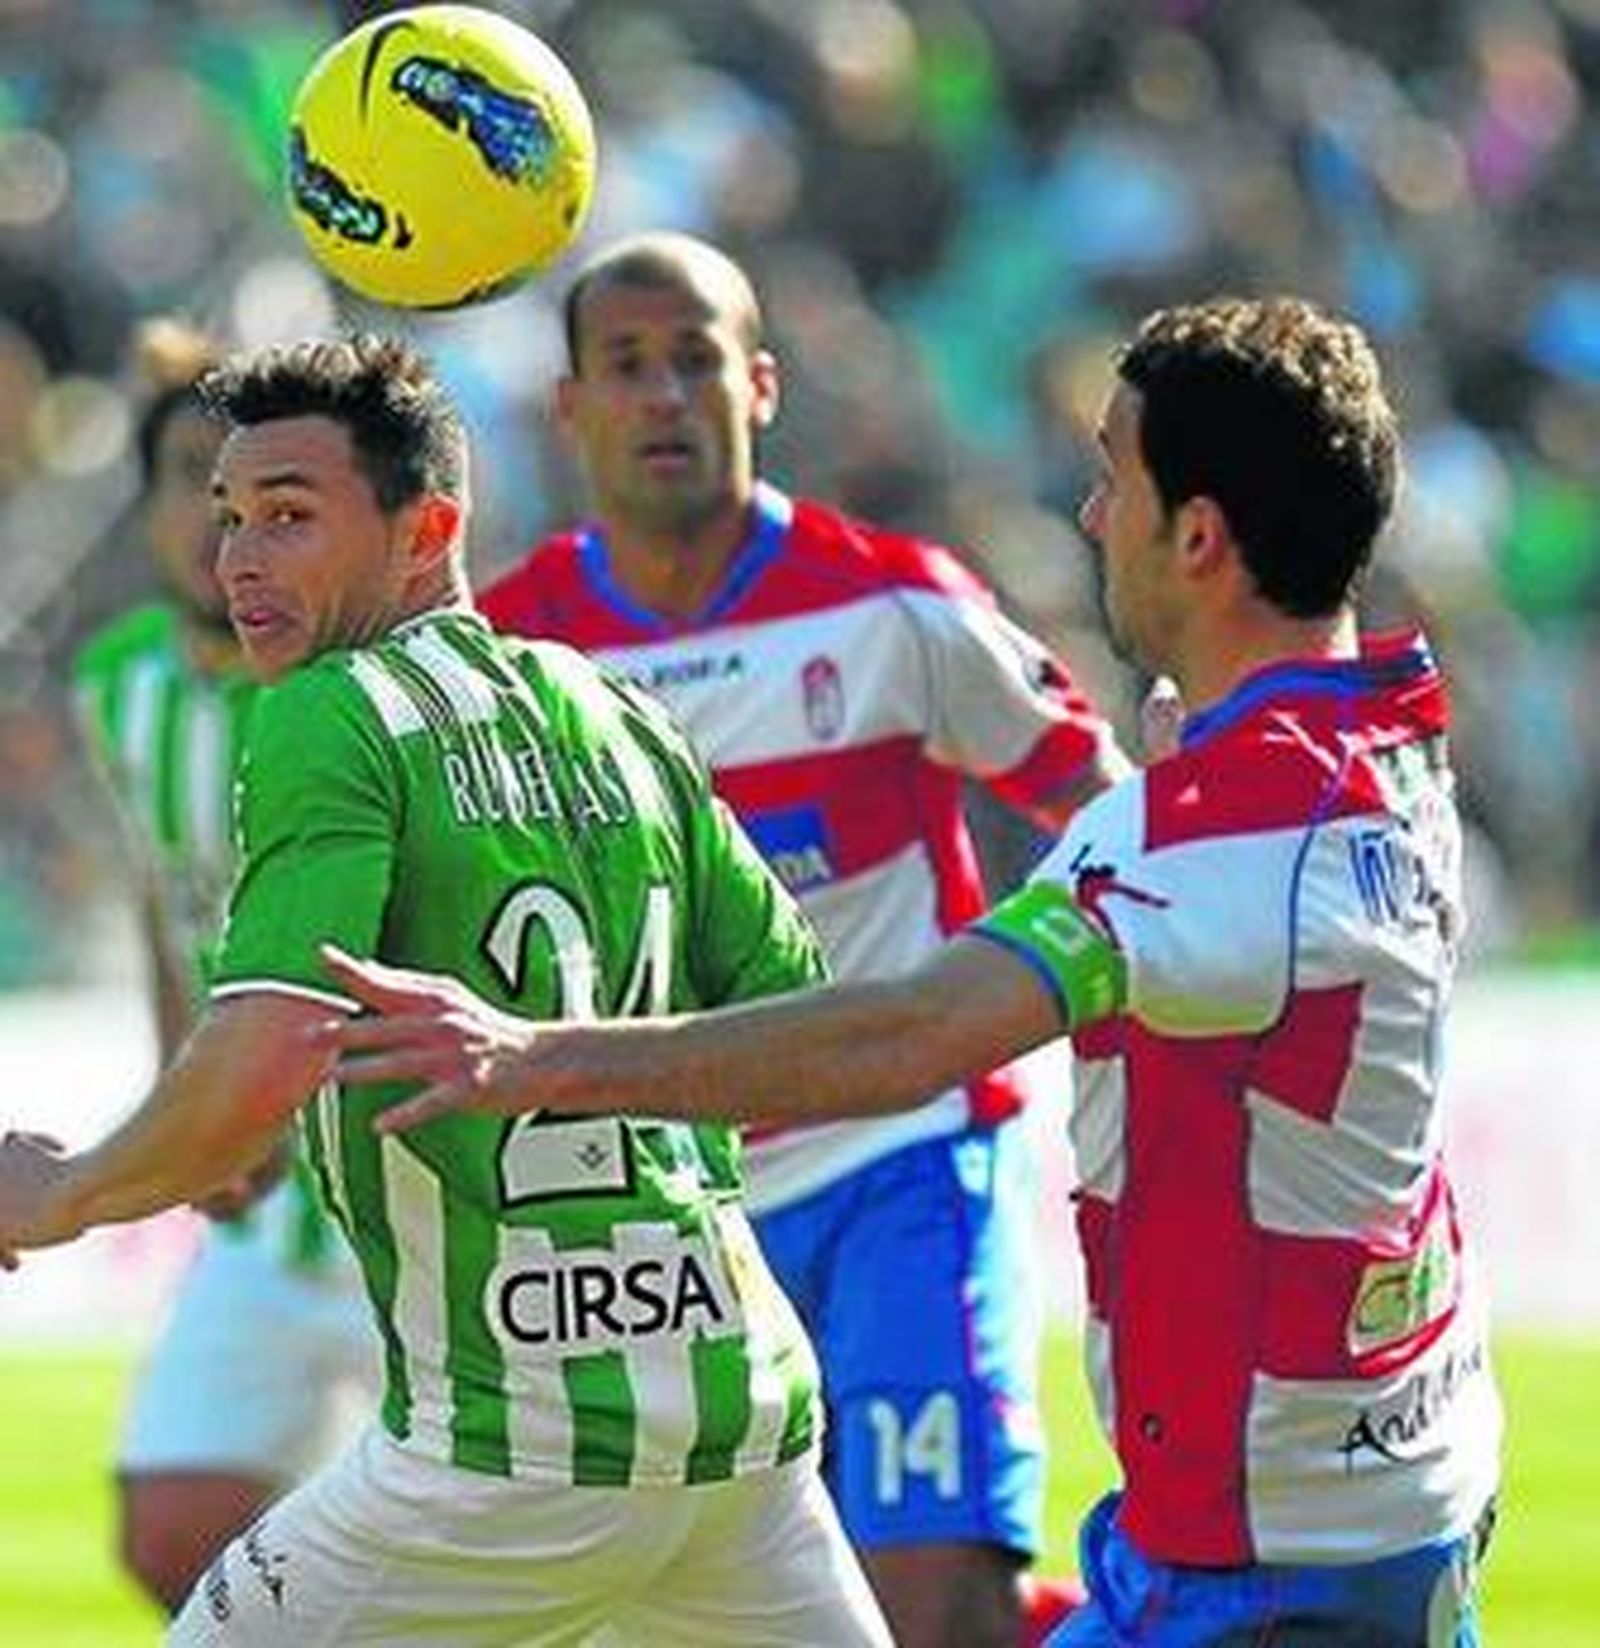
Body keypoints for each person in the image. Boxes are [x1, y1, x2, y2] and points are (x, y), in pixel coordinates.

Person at [317, 296, 1504, 1647]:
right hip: (1363, 1482)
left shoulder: (1208, 831)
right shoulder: (1384, 744)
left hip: (1275, 1560)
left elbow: (917, 1035)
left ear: (1200, 537)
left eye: (1112, 477)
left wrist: (537, 1061)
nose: (1087, 517)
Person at [5, 333, 891, 1648]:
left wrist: (64, 1192)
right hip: (738, 1418)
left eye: (291, 519)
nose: (240, 559)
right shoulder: (617, 710)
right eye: (231, 518)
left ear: (431, 525)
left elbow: (267, 1049)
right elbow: (808, 1031)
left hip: (510, 1444)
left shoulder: (327, 710)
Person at [478, 230, 1130, 1648]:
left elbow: (1096, 798)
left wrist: (1048, 978)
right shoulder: (511, 661)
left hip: (903, 1160)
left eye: (695, 360)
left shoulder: (893, 605)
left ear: (760, 385)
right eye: (626, 368)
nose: (664, 396)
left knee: (932, 1600)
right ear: (569, 409)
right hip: (668, 1215)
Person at [71, 319, 376, 1615]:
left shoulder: (344, 689)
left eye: (247, 498)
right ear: (142, 510)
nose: (217, 528)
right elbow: (164, 903)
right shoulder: (116, 683)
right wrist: (182, 1095)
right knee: (169, 1530)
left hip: (396, 1185)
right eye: (188, 486)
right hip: (259, 1196)